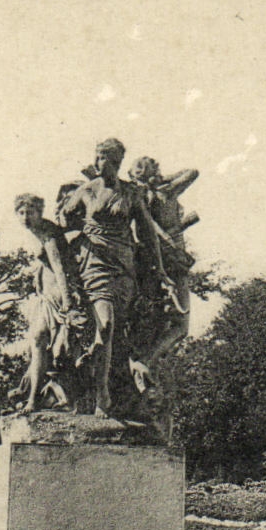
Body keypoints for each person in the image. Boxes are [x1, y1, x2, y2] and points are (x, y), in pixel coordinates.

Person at [57, 138, 154, 416]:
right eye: (97, 157)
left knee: (114, 330)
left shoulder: (131, 193)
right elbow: (64, 219)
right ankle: (102, 393)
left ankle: (104, 381)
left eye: (106, 158)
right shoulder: (87, 190)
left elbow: (147, 232)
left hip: (123, 266)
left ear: (117, 162)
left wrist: (158, 268)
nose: (100, 163)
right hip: (93, 264)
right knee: (106, 323)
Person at [128, 157, 199, 390]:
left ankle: (140, 362)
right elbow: (192, 171)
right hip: (172, 259)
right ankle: (144, 361)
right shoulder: (166, 193)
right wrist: (161, 179)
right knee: (181, 324)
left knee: (153, 319)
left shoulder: (134, 196)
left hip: (147, 260)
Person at [11, 193, 84, 411]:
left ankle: (36, 399)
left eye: (30, 213)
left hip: (58, 297)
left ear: (39, 213)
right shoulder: (38, 231)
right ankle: (34, 398)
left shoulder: (48, 233)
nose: (25, 218)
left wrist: (68, 302)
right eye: (21, 213)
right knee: (39, 341)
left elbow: (60, 269)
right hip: (47, 295)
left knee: (43, 342)